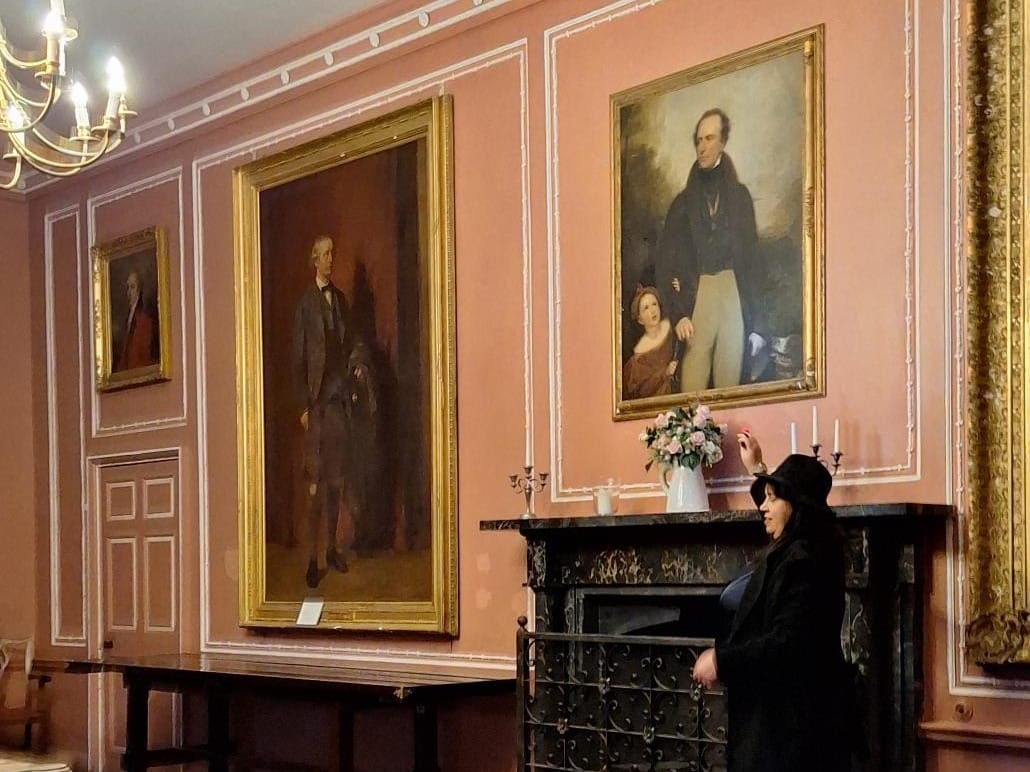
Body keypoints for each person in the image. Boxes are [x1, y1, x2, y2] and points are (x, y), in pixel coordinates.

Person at [691, 431, 851, 772]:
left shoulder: (804, 559)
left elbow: (787, 642)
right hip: (780, 716)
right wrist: (758, 469)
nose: (762, 507)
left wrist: (722, 661)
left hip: (792, 723)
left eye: (772, 499)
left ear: (796, 506)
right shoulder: (801, 547)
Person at [655, 108, 766, 392]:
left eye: (709, 139)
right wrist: (678, 313)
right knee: (692, 386)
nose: (702, 147)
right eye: (698, 140)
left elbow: (753, 262)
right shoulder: (682, 204)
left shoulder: (739, 198)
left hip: (733, 294)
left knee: (729, 380)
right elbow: (665, 262)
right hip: (698, 294)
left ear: (723, 142)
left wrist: (758, 325)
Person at [292, 235, 351, 588]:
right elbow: (297, 359)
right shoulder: (304, 305)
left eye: (333, 253)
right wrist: (302, 405)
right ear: (314, 259)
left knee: (338, 480)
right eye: (326, 254)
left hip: (338, 403)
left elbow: (349, 346)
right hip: (315, 406)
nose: (331, 260)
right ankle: (313, 559)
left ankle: (331, 549)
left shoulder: (340, 300)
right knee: (315, 482)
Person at [622, 286, 679, 399]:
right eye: (646, 308)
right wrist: (665, 373)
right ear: (640, 319)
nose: (652, 310)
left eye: (654, 304)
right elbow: (642, 391)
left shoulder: (671, 330)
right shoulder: (639, 359)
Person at [116, 270, 156, 371]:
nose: (129, 292)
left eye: (132, 287)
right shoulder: (127, 317)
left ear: (139, 290)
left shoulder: (144, 320)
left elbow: (144, 354)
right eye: (128, 287)